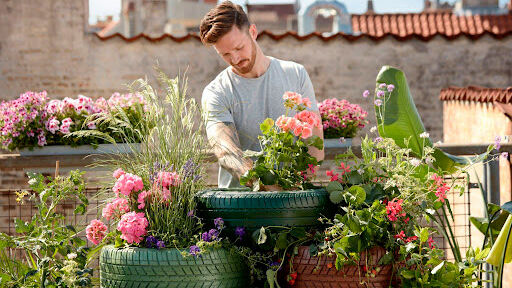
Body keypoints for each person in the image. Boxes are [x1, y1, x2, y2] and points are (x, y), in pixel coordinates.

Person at [199, 1, 324, 190]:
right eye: (225, 54)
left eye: (239, 47)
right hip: (239, 207)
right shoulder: (216, 91)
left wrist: (295, 189)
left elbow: (315, 147)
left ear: (253, 32)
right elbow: (226, 151)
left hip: (292, 203)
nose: (235, 59)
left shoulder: (296, 74)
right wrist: (270, 189)